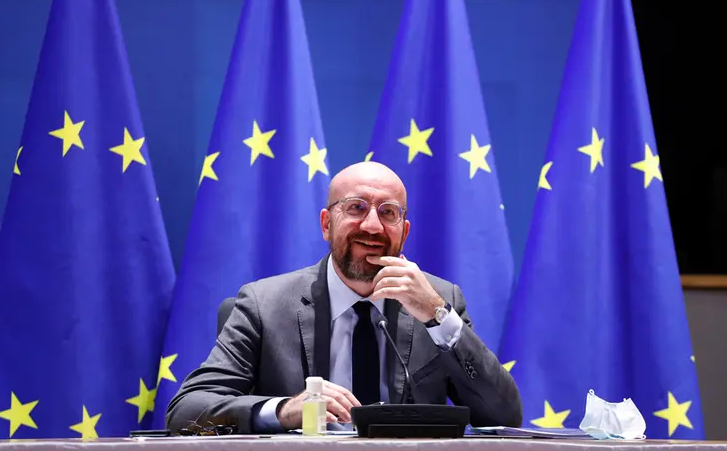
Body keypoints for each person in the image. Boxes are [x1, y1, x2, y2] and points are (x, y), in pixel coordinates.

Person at [165, 161, 523, 434]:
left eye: (388, 213)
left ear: (404, 231)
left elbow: (504, 416)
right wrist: (283, 410)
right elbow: (186, 409)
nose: (372, 225)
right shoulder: (264, 304)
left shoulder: (441, 300)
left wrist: (438, 317)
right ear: (326, 224)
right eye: (355, 208)